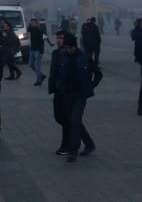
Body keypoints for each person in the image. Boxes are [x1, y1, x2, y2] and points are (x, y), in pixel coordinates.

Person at [50, 33, 99, 161]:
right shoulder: (61, 56)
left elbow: (98, 74)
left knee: (75, 121)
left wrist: (91, 86)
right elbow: (56, 73)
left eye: (68, 48)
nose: (66, 50)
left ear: (74, 47)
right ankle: (89, 144)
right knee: (73, 121)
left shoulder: (84, 57)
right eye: (65, 48)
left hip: (80, 95)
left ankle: (73, 150)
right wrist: (58, 85)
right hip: (67, 94)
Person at [26, 17, 51, 86]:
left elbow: (45, 37)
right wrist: (29, 24)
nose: (32, 24)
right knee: (31, 64)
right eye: (31, 23)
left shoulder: (40, 29)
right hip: (32, 49)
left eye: (33, 23)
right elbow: (27, 30)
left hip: (39, 50)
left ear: (37, 23)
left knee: (37, 66)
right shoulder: (31, 29)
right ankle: (41, 75)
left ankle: (38, 81)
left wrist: (50, 43)